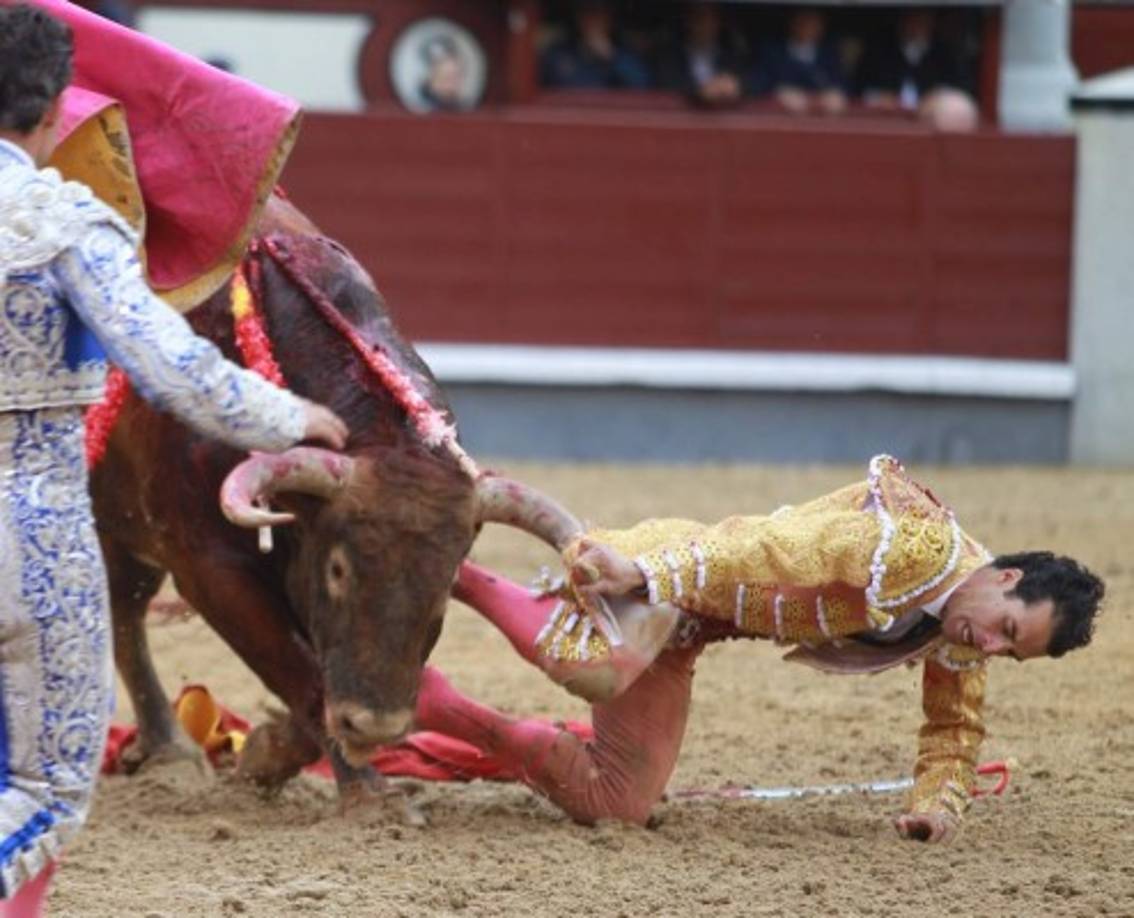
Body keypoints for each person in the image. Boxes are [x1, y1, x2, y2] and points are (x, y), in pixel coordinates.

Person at [0, 4, 347, 912]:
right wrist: (294, 416)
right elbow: (173, 367)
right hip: (26, 539)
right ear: (51, 115)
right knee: (40, 793)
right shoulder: (59, 220)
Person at [414, 454, 1104, 843]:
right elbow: (763, 548)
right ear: (1004, 577)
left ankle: (431, 704)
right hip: (674, 572)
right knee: (598, 667)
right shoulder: (914, 548)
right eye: (1005, 629)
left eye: (1008, 652)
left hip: (687, 630)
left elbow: (954, 730)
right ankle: (461, 576)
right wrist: (645, 573)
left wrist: (938, 804)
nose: (988, 646)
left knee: (615, 802)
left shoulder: (963, 626)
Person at [856, 10, 979, 132]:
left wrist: (937, 97)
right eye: (912, 18)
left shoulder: (944, 53)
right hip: (884, 124)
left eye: (923, 19)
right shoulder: (879, 50)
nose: (917, 25)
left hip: (931, 127)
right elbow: (857, 89)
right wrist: (879, 98)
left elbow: (960, 92)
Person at [751, 8, 849, 115]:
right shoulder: (772, 51)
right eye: (803, 21)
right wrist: (779, 93)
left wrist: (835, 93)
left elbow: (843, 84)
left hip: (822, 118)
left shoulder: (829, 54)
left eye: (813, 22)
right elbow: (757, 82)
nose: (808, 27)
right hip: (780, 118)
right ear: (792, 23)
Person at [653, 2, 748, 109]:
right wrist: (699, 92)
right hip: (680, 119)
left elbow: (752, 85)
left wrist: (736, 86)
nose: (705, 25)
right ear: (688, 22)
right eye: (699, 18)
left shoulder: (732, 55)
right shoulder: (670, 56)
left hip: (727, 121)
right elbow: (667, 85)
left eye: (711, 19)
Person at [540, 0, 650, 91]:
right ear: (578, 16)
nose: (593, 19)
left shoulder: (625, 50)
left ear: (610, 17)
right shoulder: (559, 52)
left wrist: (611, 56)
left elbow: (642, 86)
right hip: (567, 114)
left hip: (610, 115)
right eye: (587, 12)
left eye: (599, 12)